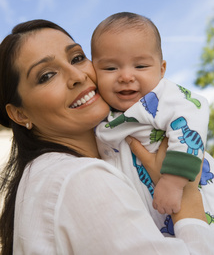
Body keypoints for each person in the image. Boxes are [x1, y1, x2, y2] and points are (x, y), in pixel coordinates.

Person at [0, 19, 213, 255]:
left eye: (77, 58)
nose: (77, 76)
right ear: (19, 114)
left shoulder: (49, 175)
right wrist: (187, 194)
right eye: (47, 75)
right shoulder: (79, 178)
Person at [91, 12, 213, 217]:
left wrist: (174, 182)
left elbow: (194, 110)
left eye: (140, 66)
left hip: (192, 194)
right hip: (151, 213)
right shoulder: (101, 112)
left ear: (161, 69)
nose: (126, 76)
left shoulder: (163, 96)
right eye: (110, 68)